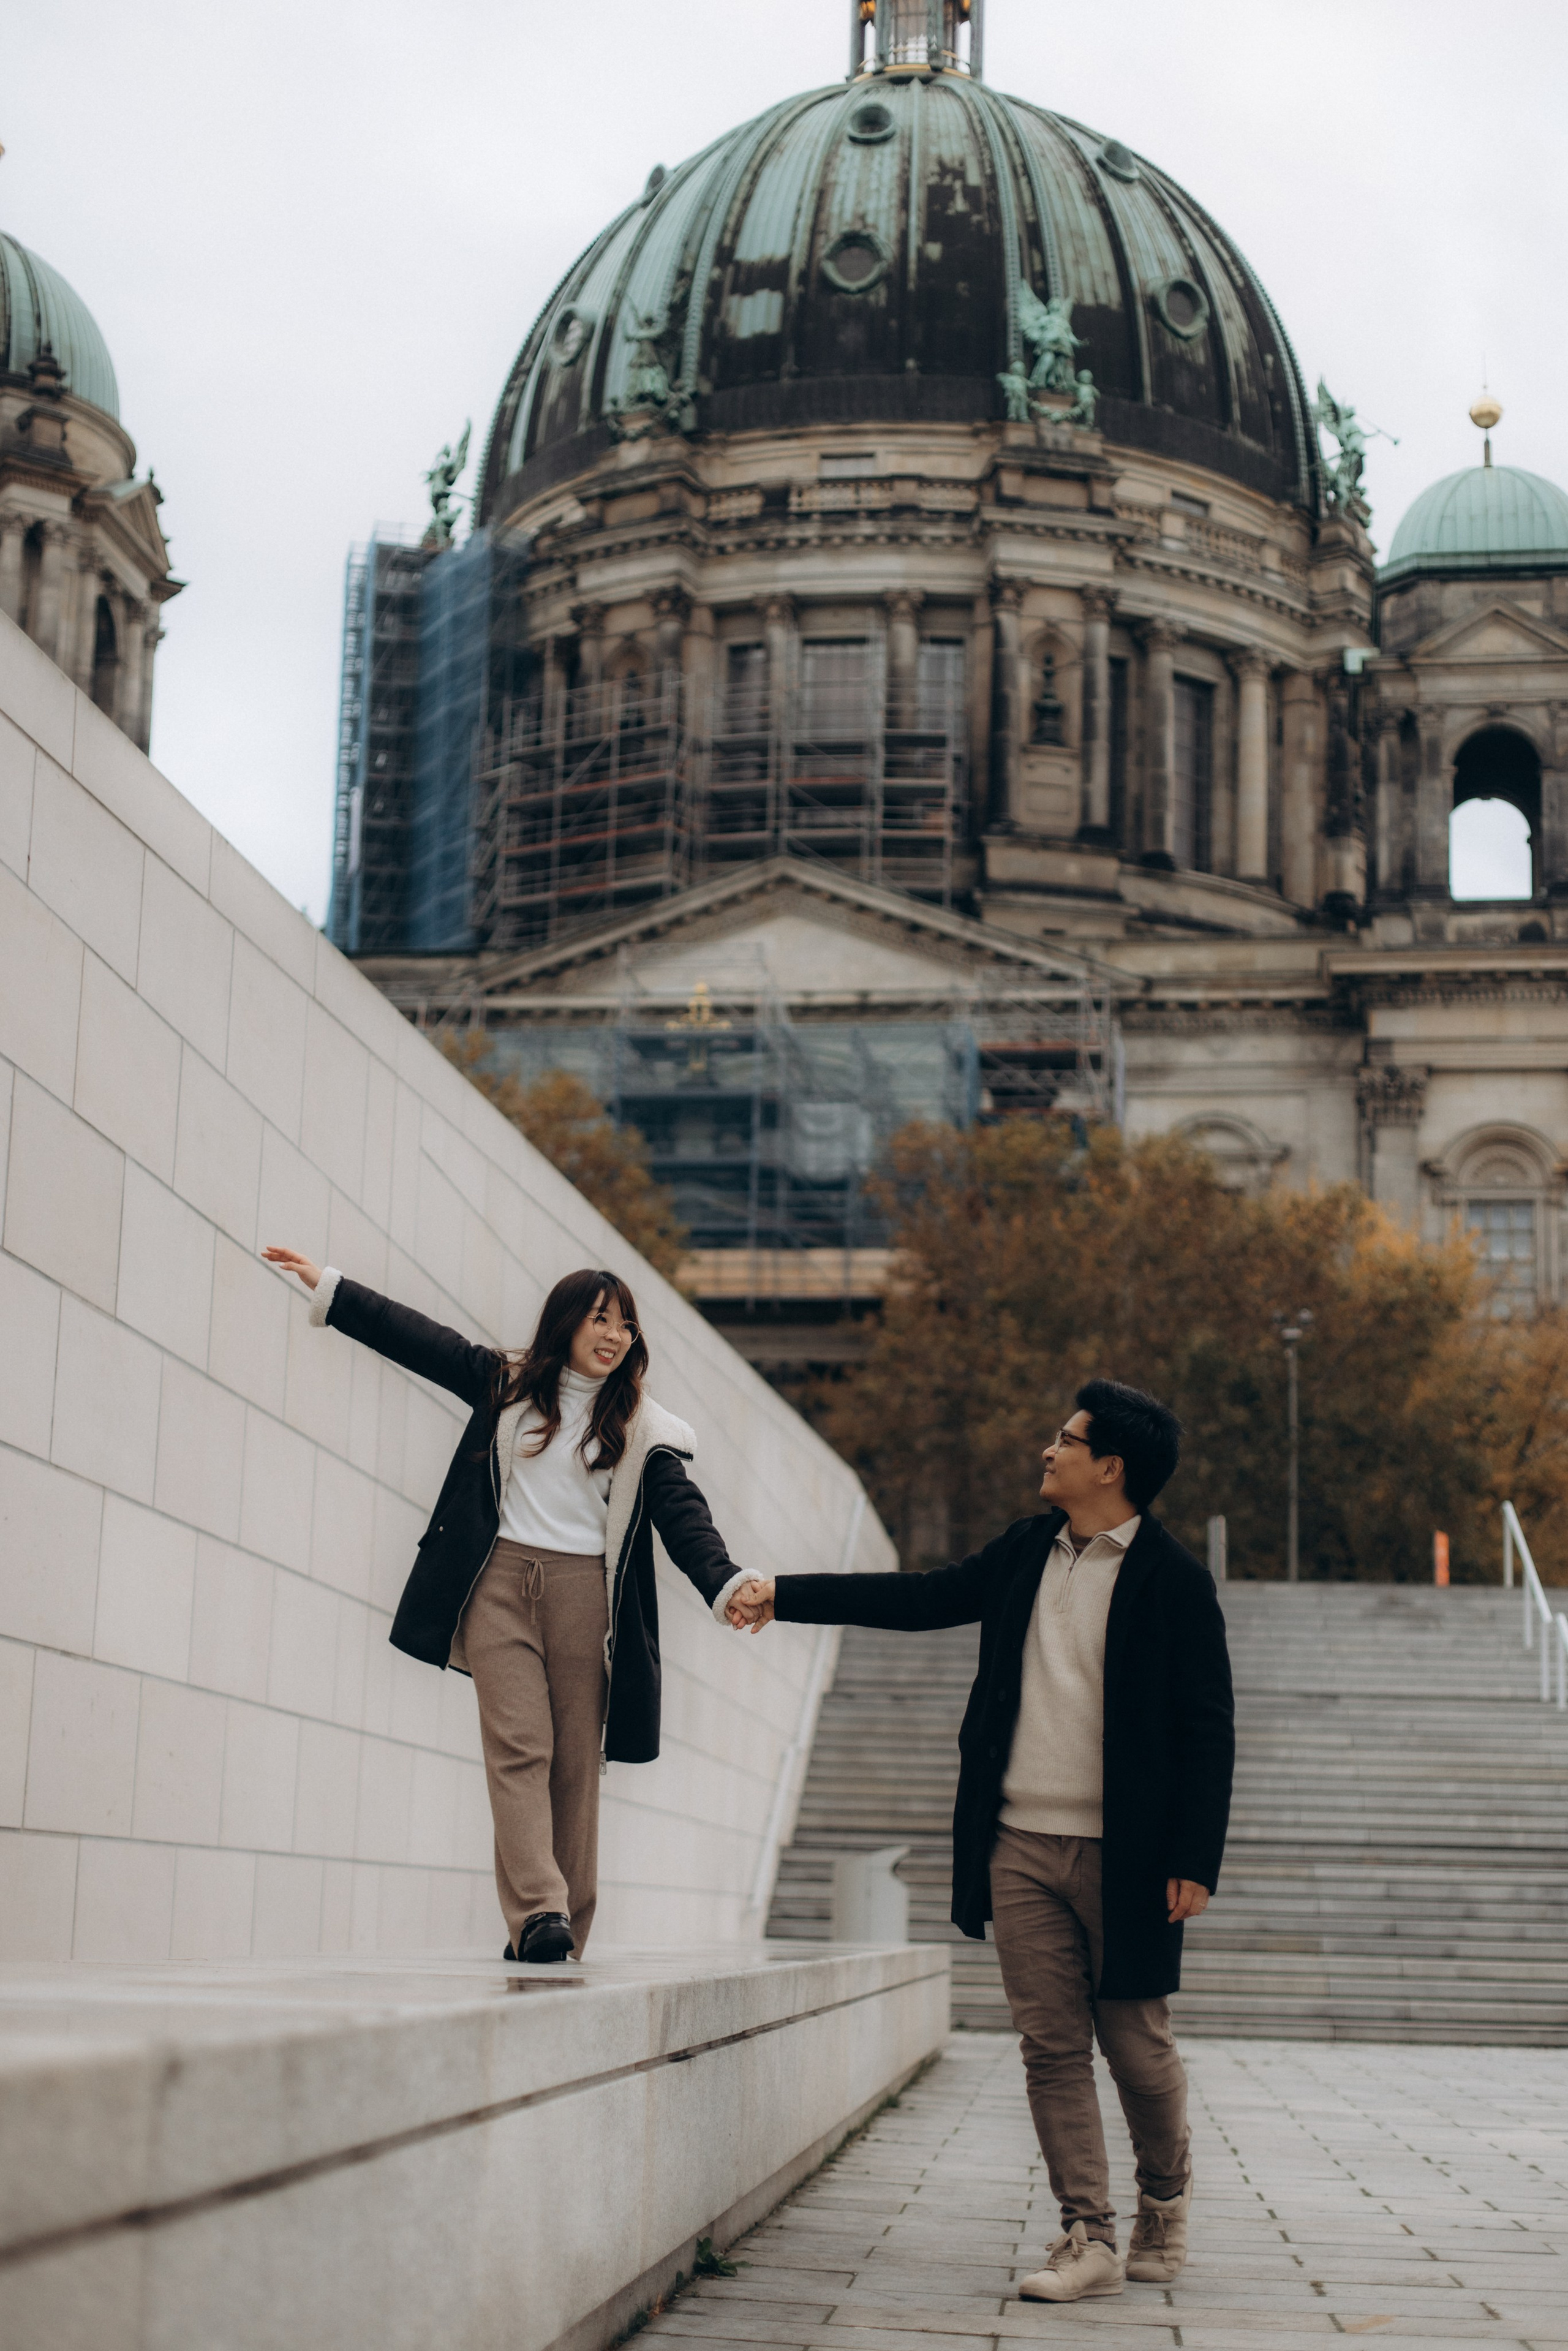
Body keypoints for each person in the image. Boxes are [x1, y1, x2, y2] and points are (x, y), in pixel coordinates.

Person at [725, 1379, 1233, 2304]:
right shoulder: (1024, 1551)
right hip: (1018, 1843)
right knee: (1050, 2045)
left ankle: (1167, 2188)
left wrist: (1196, 1859)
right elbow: (922, 1598)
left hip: (1129, 1856)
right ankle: (1090, 2232)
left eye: (1066, 1439)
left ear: (1110, 1467)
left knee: (1137, 2046)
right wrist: (782, 1594)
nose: (1049, 1449)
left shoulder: (1176, 1580)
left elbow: (1208, 1725)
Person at [263, 1248, 751, 1964]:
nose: (614, 1335)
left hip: (587, 1597)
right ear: (566, 1323)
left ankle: (566, 1929)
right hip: (497, 1587)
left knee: (575, 1765)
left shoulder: (645, 1429)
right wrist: (330, 1290)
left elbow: (684, 1517)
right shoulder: (505, 1384)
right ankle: (539, 1913)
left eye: (625, 1325)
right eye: (599, 1319)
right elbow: (416, 1337)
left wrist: (725, 1581)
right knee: (520, 1748)